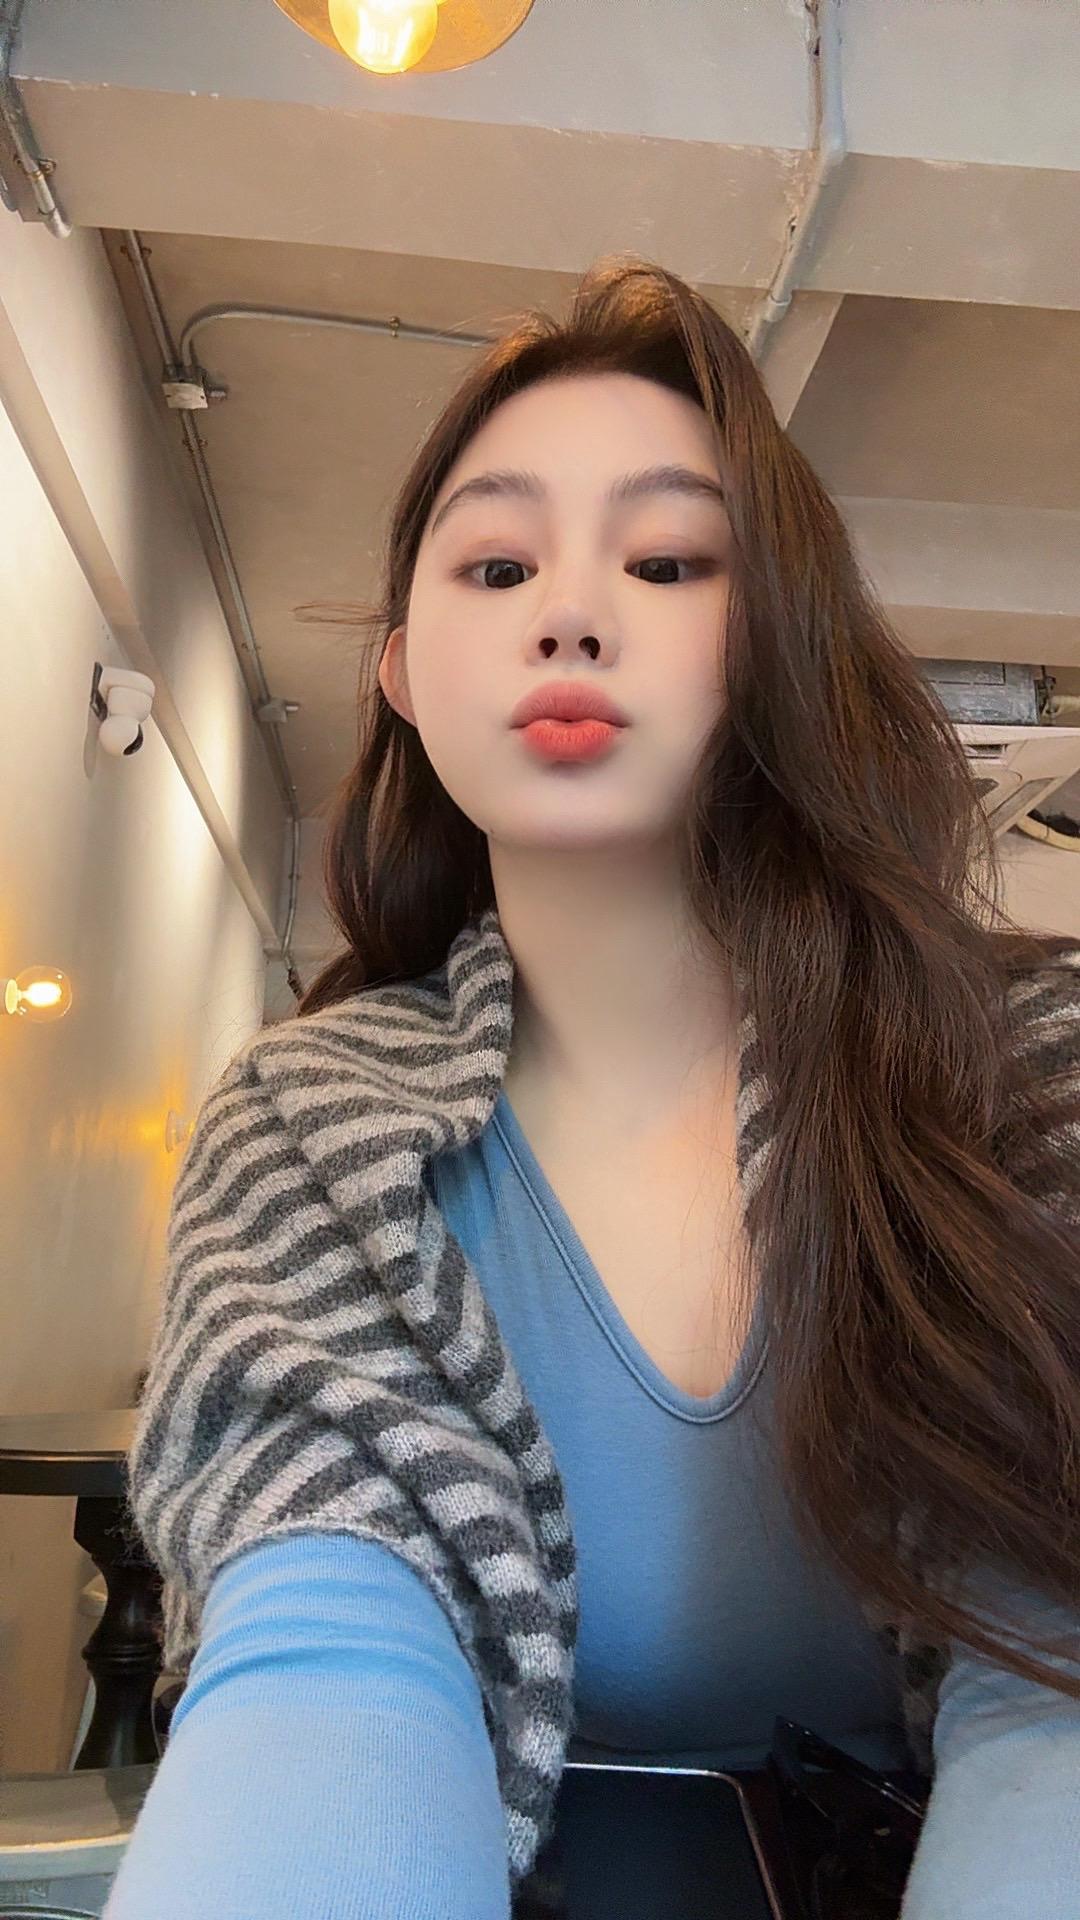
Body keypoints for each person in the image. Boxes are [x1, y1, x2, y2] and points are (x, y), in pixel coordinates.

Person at [106, 255, 1080, 1919]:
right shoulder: (306, 1128)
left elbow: (1055, 1677)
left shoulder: (1021, 1078)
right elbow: (321, 1643)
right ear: (405, 672)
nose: (570, 612)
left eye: (669, 561)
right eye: (497, 566)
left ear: (777, 645)